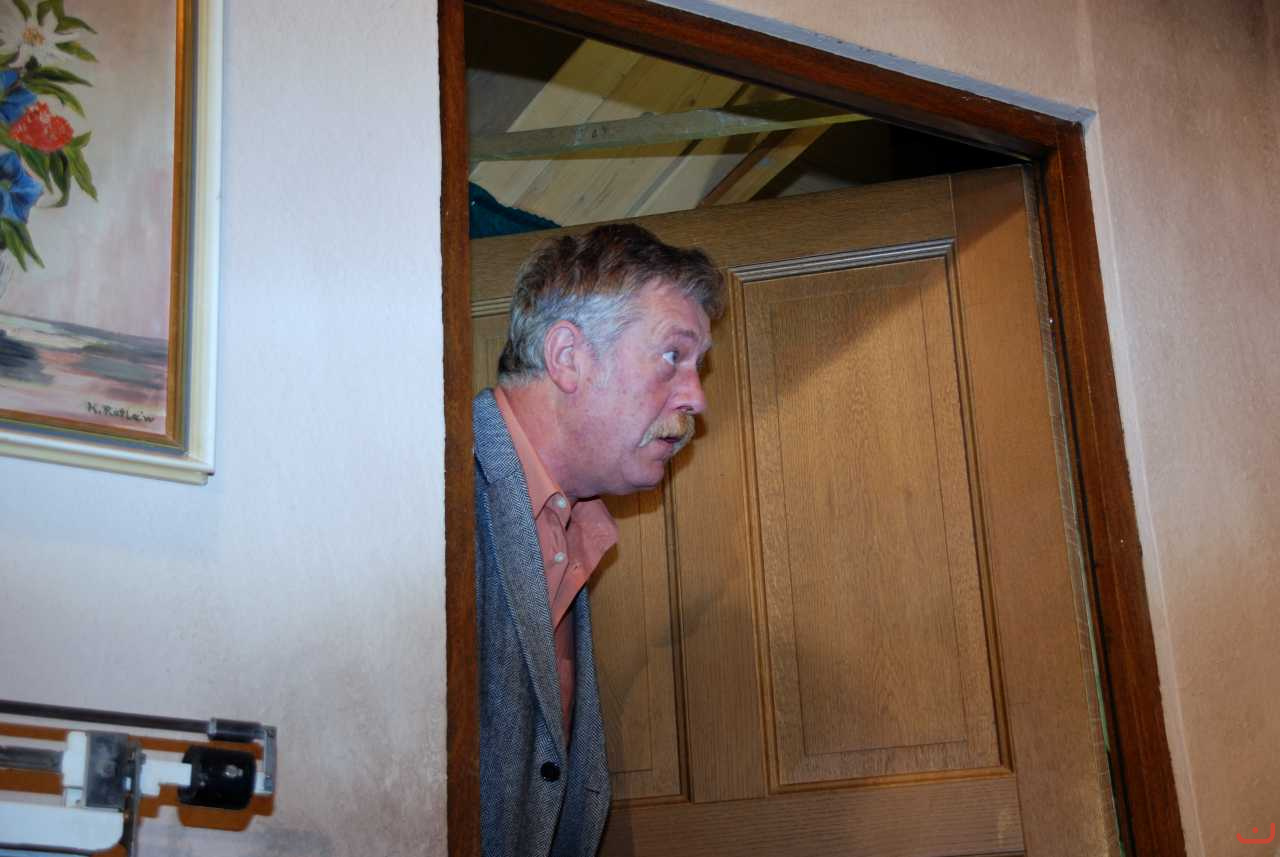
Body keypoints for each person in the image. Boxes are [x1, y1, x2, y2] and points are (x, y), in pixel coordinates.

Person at [473, 223, 725, 857]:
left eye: (697, 366)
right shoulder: (437, 496)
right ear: (568, 357)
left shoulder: (571, 527)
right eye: (673, 356)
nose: (696, 398)